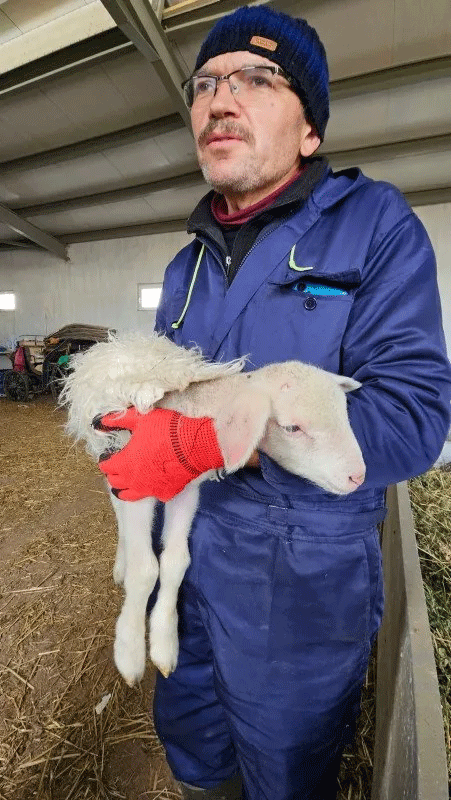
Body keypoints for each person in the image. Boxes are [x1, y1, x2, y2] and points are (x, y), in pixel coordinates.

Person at [99, 6, 451, 799]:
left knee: (286, 768)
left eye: (256, 80)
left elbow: (412, 418)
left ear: (309, 130)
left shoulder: (374, 226)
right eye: (204, 84)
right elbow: (158, 397)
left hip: (297, 582)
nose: (220, 100)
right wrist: (128, 433)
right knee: (191, 742)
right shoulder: (186, 267)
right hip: (185, 557)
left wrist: (210, 439)